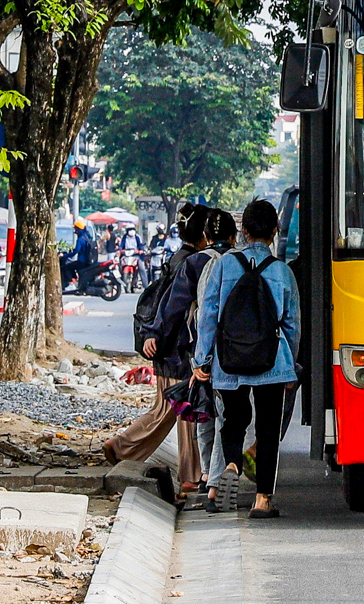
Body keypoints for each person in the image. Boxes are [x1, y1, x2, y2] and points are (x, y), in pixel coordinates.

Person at [195, 199, 300, 519]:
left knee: (233, 420)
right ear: (274, 232)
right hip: (271, 359)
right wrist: (289, 364)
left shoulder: (224, 265)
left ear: (243, 231)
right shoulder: (282, 271)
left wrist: (203, 359)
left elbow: (209, 314)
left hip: (229, 358)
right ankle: (262, 500)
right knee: (268, 430)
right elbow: (292, 324)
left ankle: (230, 465)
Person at [103, 204, 209, 492]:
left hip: (165, 347)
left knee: (167, 408)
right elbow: (174, 309)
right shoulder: (194, 263)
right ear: (204, 233)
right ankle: (190, 476)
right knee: (185, 410)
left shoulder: (177, 258)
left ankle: (123, 447)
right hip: (178, 349)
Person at [189, 209, 239, 513]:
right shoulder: (244, 262)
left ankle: (210, 476)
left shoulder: (204, 265)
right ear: (235, 236)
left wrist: (200, 359)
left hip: (214, 353)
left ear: (206, 237)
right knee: (228, 417)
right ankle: (219, 477)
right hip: (244, 353)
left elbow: (205, 317)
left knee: (207, 413)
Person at [61, 220, 96, 290]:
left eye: (76, 229)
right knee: (72, 266)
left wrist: (65, 256)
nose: (75, 231)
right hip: (87, 261)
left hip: (82, 262)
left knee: (66, 268)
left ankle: (71, 284)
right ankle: (74, 280)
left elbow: (76, 251)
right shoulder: (87, 237)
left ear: (79, 229)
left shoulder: (80, 239)